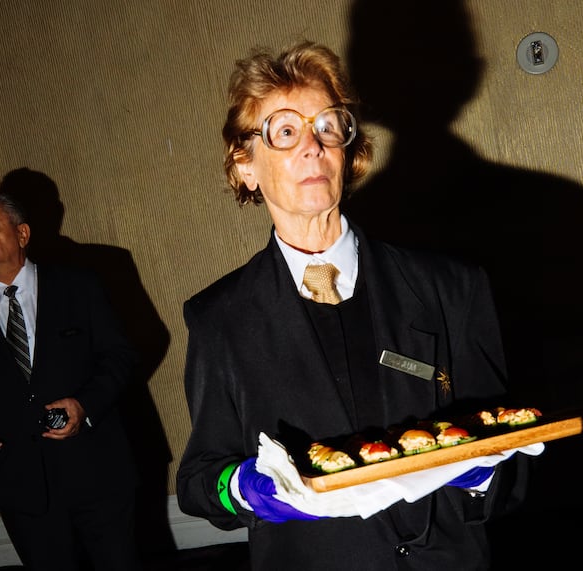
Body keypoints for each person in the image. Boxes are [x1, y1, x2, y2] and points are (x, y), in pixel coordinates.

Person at [176, 41, 534, 570]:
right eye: (285, 130)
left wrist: (482, 470)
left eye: (327, 127)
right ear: (245, 163)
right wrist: (245, 490)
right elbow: (200, 479)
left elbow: (517, 458)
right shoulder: (220, 319)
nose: (312, 147)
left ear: (350, 150)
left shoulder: (451, 288)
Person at [0, 189, 143, 571]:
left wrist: (85, 406)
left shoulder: (80, 284)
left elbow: (121, 357)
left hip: (97, 472)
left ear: (23, 233)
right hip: (21, 486)